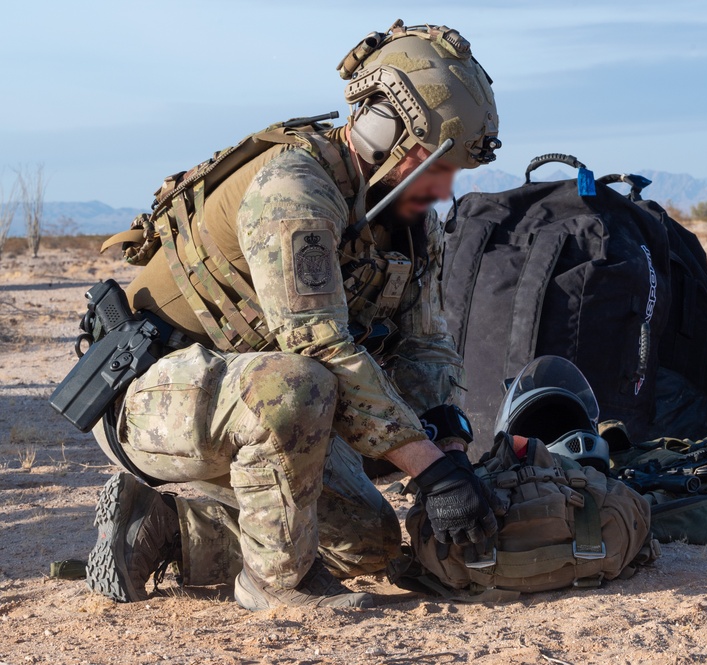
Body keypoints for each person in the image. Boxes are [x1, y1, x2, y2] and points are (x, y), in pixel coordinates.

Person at [82, 20, 501, 611]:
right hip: (156, 399)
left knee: (371, 548)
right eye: (430, 162)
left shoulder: (406, 220)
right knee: (297, 385)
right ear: (385, 127)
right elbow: (318, 347)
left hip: (263, 404)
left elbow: (426, 347)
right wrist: (427, 470)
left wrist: (449, 451)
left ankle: (172, 524)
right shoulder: (294, 189)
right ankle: (277, 586)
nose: (439, 187)